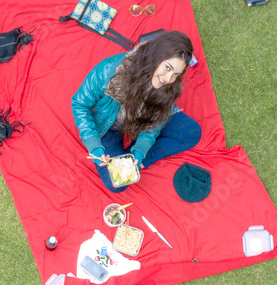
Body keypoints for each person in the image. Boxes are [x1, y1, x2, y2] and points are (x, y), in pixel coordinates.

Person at [71, 30, 201, 192]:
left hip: (140, 124)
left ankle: (137, 159)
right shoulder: (111, 70)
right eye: (167, 68)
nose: (168, 79)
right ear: (156, 56)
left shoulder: (170, 86)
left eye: (175, 74)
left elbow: (156, 120)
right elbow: (79, 104)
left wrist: (141, 149)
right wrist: (92, 141)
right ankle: (131, 160)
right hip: (108, 126)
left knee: (193, 132)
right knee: (117, 185)